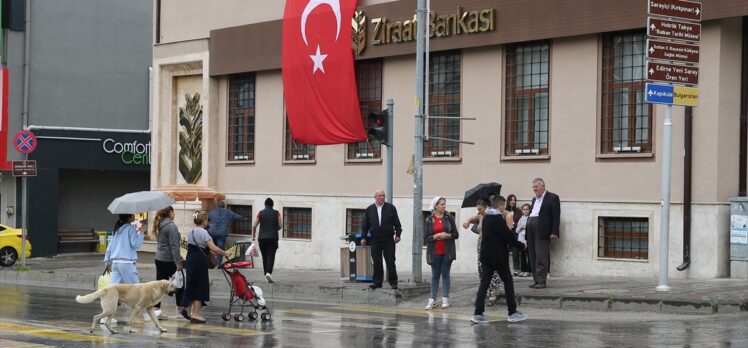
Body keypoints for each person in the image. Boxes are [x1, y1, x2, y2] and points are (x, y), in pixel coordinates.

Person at [471, 195, 528, 324]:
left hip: (485, 256)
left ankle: (478, 313)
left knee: (484, 283)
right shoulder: (496, 219)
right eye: (503, 206)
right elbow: (508, 237)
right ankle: (512, 312)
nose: (504, 209)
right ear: (500, 206)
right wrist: (522, 245)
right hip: (498, 257)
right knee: (508, 281)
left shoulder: (486, 218)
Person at [182, 210, 229, 324]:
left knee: (192, 284)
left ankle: (187, 309)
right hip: (199, 261)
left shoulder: (191, 232)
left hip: (190, 260)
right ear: (203, 220)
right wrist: (225, 253)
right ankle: (196, 314)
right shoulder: (204, 233)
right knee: (200, 286)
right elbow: (213, 248)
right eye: (207, 219)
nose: (208, 222)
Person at [102, 214, 145, 324]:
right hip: (127, 263)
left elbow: (110, 246)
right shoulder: (130, 229)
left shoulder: (117, 229)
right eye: (132, 215)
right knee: (139, 289)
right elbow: (136, 244)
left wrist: (107, 262)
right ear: (129, 217)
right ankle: (147, 314)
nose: (134, 216)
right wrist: (141, 232)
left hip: (115, 263)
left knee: (112, 291)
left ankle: (105, 317)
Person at [462, 198, 502, 306]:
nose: (478, 211)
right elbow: (472, 218)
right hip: (481, 246)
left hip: (492, 247)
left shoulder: (494, 216)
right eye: (477, 209)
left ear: (486, 207)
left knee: (493, 270)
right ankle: (486, 290)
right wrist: (466, 221)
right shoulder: (480, 216)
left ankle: (493, 292)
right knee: (481, 269)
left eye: (480, 209)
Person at [361, 189, 402, 290]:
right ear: (375, 197)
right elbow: (365, 226)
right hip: (375, 240)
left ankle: (393, 282)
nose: (382, 197)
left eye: (383, 195)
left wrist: (398, 235)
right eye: (380, 195)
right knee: (377, 262)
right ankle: (377, 282)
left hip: (388, 239)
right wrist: (363, 237)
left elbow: (397, 224)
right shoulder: (369, 209)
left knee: (390, 261)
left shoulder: (391, 208)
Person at [424, 196, 459, 310]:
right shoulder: (429, 219)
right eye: (442, 204)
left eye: (445, 204)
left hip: (447, 251)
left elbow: (456, 234)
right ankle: (432, 300)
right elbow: (426, 237)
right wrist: (436, 236)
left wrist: (447, 235)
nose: (444, 206)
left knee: (445, 274)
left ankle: (445, 299)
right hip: (434, 252)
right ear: (436, 206)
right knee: (435, 275)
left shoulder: (449, 218)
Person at [527, 178, 561, 289]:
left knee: (541, 255)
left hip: (542, 228)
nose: (534, 189)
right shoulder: (534, 199)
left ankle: (541, 281)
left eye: (536, 187)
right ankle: (536, 280)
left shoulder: (552, 197)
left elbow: (556, 216)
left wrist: (554, 231)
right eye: (533, 187)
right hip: (531, 226)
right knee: (532, 254)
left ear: (542, 186)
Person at [153, 206, 184, 319]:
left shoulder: (158, 224)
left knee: (160, 286)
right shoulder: (171, 226)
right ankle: (180, 311)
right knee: (180, 284)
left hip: (159, 258)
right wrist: (178, 262)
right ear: (170, 212)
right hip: (169, 259)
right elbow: (174, 246)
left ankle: (156, 311)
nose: (174, 214)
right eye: (173, 212)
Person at [252, 197, 282, 283]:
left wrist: (253, 236)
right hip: (273, 238)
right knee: (271, 256)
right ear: (272, 205)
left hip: (262, 238)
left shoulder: (260, 213)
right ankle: (268, 273)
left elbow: (254, 225)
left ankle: (266, 275)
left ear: (265, 205)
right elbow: (280, 225)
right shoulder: (277, 213)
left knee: (264, 256)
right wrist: (275, 229)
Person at [207, 200, 244, 265]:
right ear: (224, 206)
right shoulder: (228, 212)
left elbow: (206, 219)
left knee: (210, 247)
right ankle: (218, 264)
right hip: (222, 234)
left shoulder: (212, 212)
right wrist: (241, 213)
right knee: (220, 248)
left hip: (211, 232)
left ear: (217, 206)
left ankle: (209, 262)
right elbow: (239, 217)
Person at [506, 194, 522, 275]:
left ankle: (516, 269)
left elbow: (520, 222)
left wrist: (514, 224)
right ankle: (504, 268)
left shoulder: (518, 211)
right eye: (511, 200)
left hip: (515, 233)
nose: (513, 201)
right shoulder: (504, 211)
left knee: (515, 248)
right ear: (508, 201)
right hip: (505, 233)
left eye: (514, 200)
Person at [515, 203, 532, 277]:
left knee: (529, 255)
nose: (525, 211)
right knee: (522, 255)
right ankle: (523, 270)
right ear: (522, 210)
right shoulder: (521, 219)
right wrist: (521, 228)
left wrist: (527, 227)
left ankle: (528, 270)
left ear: (530, 210)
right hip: (521, 240)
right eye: (524, 209)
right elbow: (517, 230)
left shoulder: (531, 218)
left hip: (528, 239)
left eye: (527, 209)